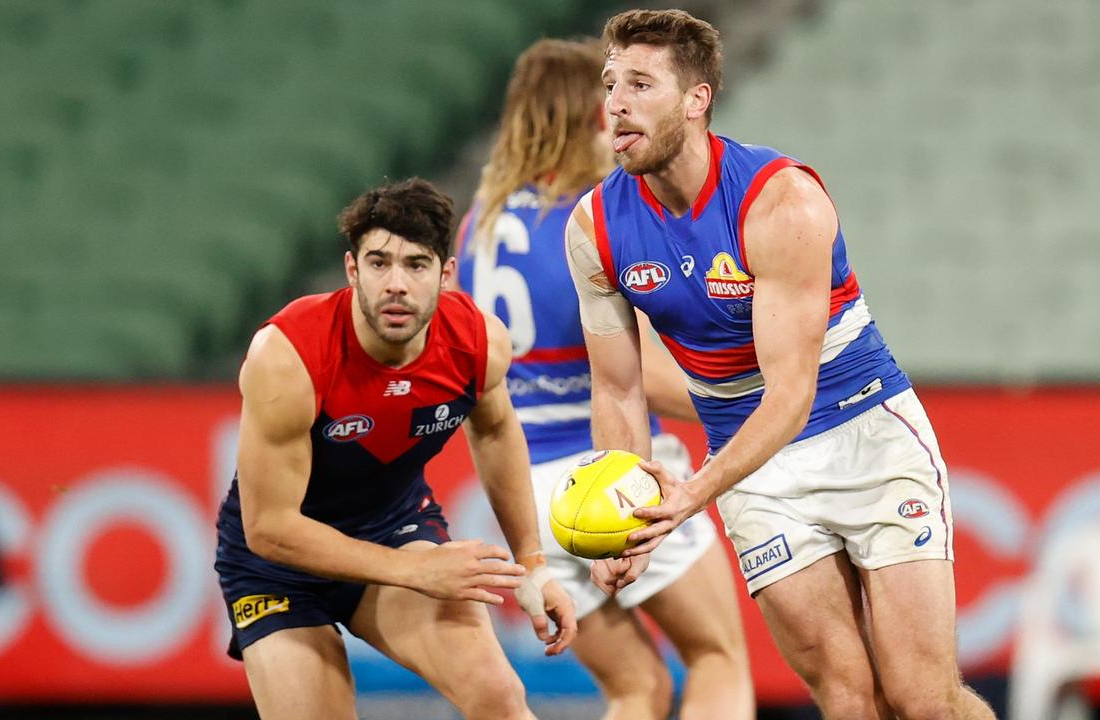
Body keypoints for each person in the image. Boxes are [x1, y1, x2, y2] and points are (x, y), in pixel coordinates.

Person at [568, 9, 998, 720]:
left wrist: (689, 496)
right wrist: (629, 517)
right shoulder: (594, 230)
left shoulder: (781, 202)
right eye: (611, 83)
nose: (615, 102)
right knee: (847, 697)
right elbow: (618, 387)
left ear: (696, 99)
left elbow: (791, 396)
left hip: (863, 431)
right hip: (754, 469)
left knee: (922, 698)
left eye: (641, 84)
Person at [457, 38, 753, 720]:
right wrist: (761, 406)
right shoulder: (592, 223)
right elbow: (640, 379)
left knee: (635, 689)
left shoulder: (479, 226)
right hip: (610, 467)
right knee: (717, 659)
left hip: (529, 495)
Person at [213, 178, 576, 720]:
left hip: (392, 527)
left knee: (500, 699)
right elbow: (270, 529)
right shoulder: (288, 356)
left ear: (446, 276)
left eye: (416, 264)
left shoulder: (479, 342)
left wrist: (534, 565)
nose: (397, 284)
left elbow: (497, 432)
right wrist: (418, 573)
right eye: (379, 263)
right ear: (352, 270)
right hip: (276, 570)